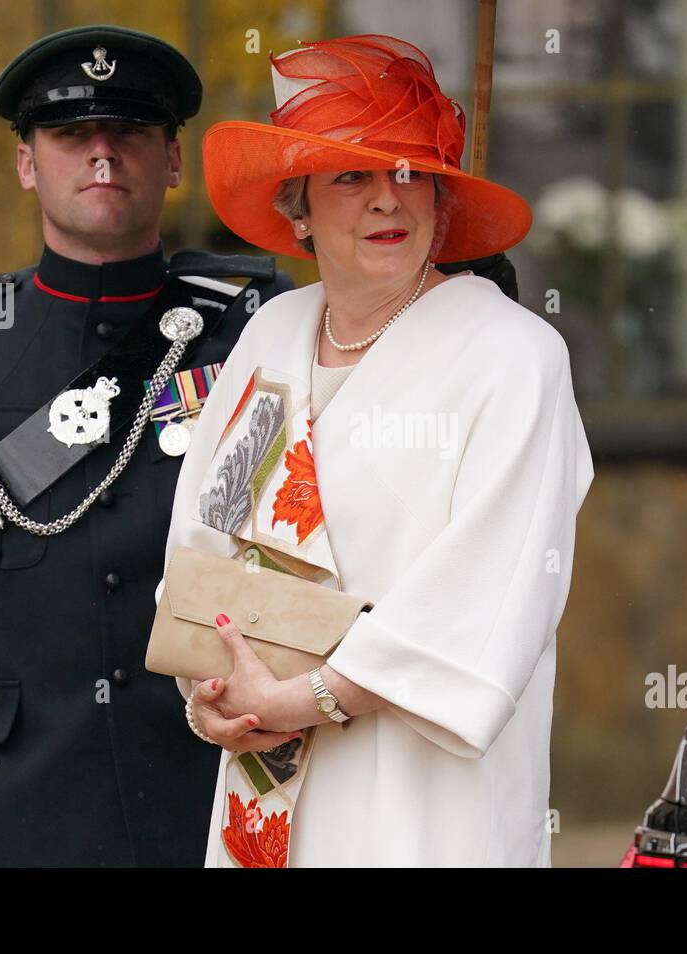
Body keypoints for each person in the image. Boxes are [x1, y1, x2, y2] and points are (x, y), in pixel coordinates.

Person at [0, 25, 295, 866]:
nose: (101, 154)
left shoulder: (260, 326)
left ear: (171, 160)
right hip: (17, 814)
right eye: (69, 134)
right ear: (26, 161)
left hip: (217, 795)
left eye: (128, 132)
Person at [156, 34, 594, 867]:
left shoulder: (512, 355)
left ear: (440, 195)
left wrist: (310, 696)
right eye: (352, 175)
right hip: (264, 781)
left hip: (427, 801)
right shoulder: (270, 333)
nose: (387, 198)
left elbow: (491, 589)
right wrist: (208, 696)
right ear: (299, 206)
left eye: (409, 171)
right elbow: (203, 545)